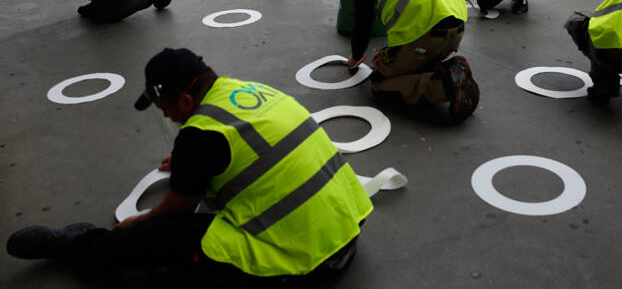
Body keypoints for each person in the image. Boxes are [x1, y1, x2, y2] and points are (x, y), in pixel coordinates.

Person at [7, 48, 374, 285]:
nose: (163, 113)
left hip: (306, 265)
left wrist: (140, 219)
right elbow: (256, 153)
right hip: (346, 232)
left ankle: (75, 245)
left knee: (160, 235)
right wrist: (187, 165)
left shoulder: (200, 136)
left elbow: (177, 208)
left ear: (184, 99)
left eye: (163, 105)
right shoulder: (251, 92)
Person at [346, 0, 479, 124]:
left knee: (379, 83)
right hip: (456, 30)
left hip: (426, 37)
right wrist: (391, 52)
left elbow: (363, 23)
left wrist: (356, 56)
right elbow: (414, 10)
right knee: (400, 61)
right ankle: (450, 69)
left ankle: (443, 86)